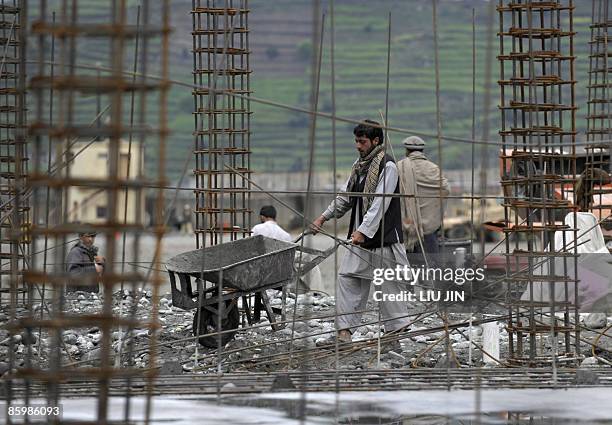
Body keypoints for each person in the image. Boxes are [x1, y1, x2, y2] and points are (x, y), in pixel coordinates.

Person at [311, 120, 412, 345]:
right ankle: (344, 332)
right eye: (356, 141)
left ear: (375, 141)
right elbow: (347, 196)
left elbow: (379, 205)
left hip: (384, 239)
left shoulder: (388, 166)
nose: (358, 145)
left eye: (362, 141)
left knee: (389, 287)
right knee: (347, 278)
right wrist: (323, 217)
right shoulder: (359, 166)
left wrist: (363, 231)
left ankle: (395, 335)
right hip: (362, 240)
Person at [397, 136, 449, 257]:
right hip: (430, 230)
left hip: (406, 229)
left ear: (407, 150)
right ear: (422, 150)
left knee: (407, 270)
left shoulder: (399, 167)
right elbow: (446, 189)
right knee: (432, 269)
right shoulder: (433, 168)